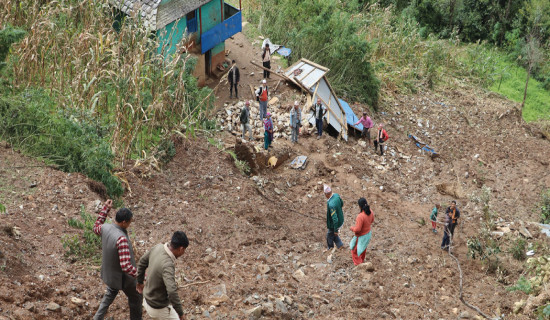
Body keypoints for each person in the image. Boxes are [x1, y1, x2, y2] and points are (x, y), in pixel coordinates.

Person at [93, 200, 142, 320]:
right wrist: (141, 275)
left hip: (110, 275)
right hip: (124, 279)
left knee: (109, 295)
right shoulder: (121, 239)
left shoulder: (105, 227)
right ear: (124, 222)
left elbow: (95, 227)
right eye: (130, 221)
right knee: (136, 298)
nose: (130, 223)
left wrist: (105, 209)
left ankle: (97, 318)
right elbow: (125, 266)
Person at [137, 231, 189, 320]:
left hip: (146, 300)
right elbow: (172, 291)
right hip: (157, 307)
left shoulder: (158, 247)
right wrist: (180, 313)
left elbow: (141, 262)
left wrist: (139, 282)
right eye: (184, 250)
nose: (183, 252)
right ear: (181, 249)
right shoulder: (168, 265)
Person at [349, 198, 374, 265]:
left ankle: (359, 264)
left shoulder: (360, 216)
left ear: (359, 206)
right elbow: (372, 220)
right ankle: (362, 260)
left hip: (361, 236)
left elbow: (357, 229)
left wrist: (352, 228)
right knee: (363, 248)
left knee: (355, 250)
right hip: (367, 234)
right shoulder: (370, 212)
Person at [324, 185, 344, 251]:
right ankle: (340, 245)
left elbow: (335, 219)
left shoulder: (331, 204)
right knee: (333, 234)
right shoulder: (336, 195)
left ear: (326, 194)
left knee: (329, 236)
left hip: (335, 223)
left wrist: (336, 230)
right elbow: (342, 203)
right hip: (341, 219)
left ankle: (330, 249)